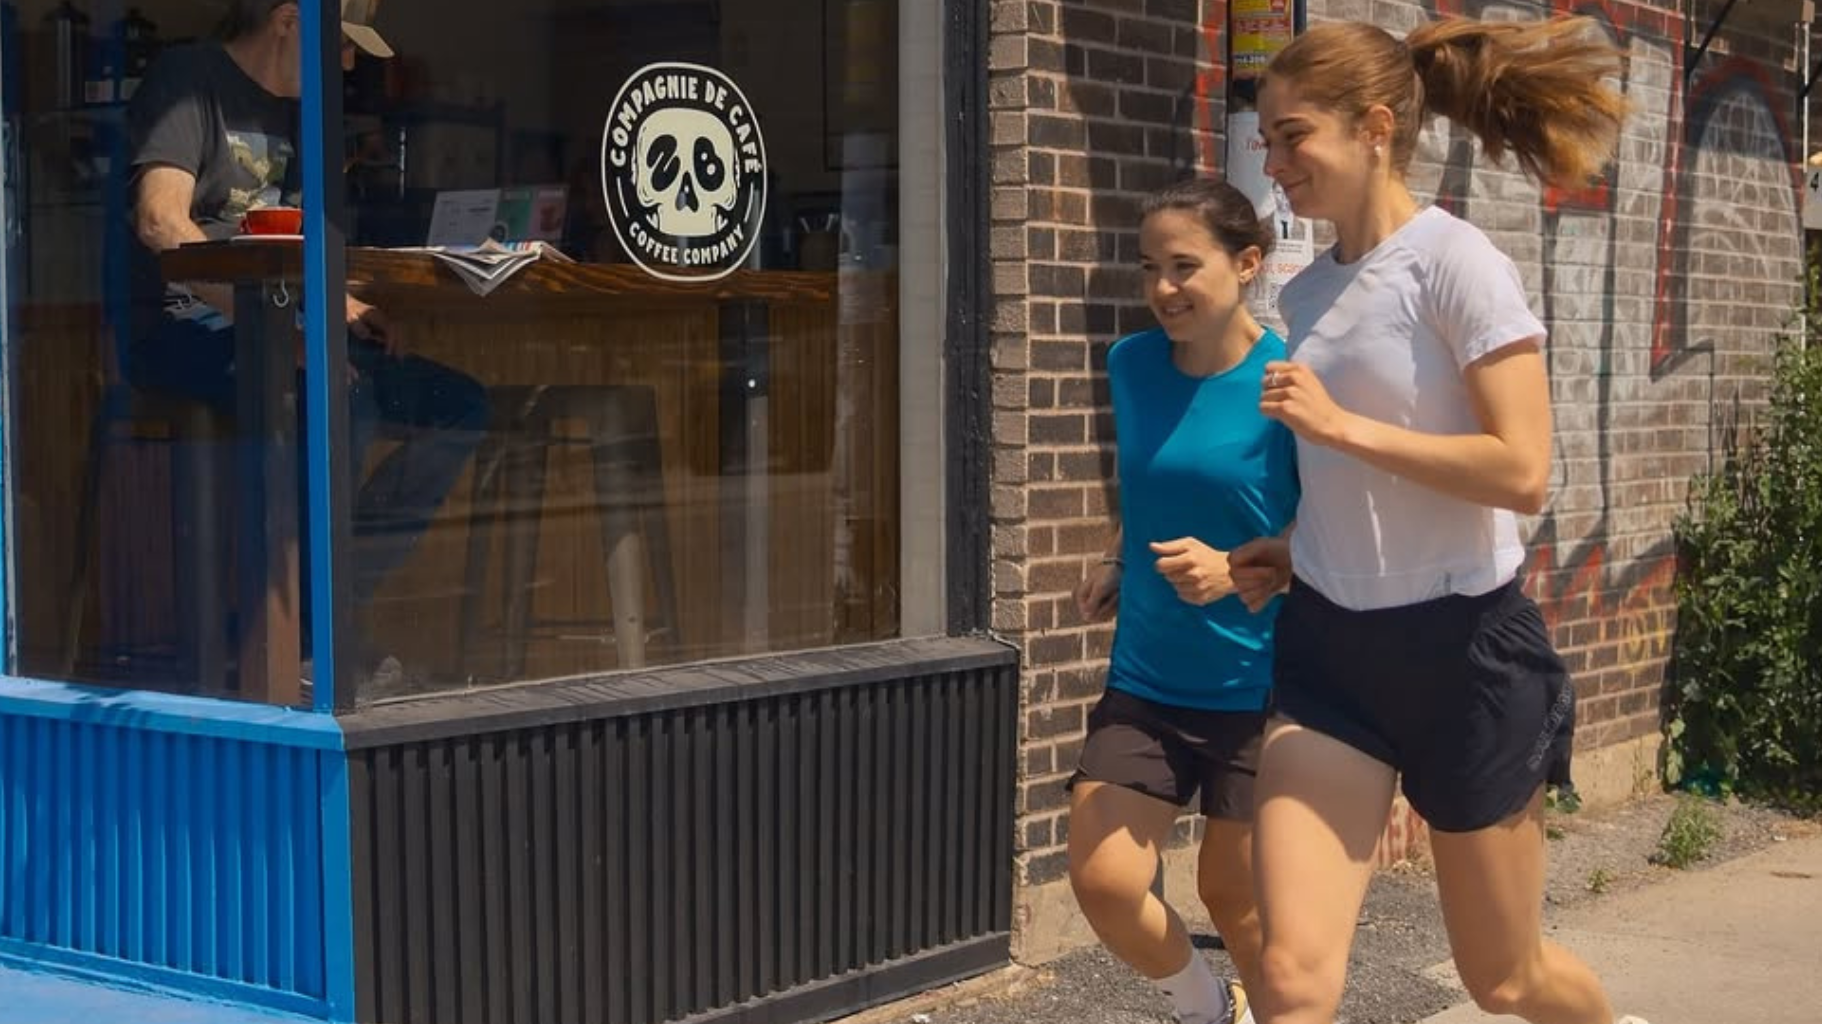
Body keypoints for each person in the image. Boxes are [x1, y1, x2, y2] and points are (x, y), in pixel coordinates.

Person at [1235, 17, 1650, 1024]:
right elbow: (1358, 477)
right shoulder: (1313, 285)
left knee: (1504, 979)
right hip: (1332, 653)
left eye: (1293, 135)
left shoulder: (1457, 263)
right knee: (1289, 975)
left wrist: (1343, 425)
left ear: (1374, 127)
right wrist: (1294, 548)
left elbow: (1520, 470)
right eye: (1267, 139)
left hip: (1465, 653)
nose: (1274, 160)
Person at [123, 0, 487, 686]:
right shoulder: (188, 78)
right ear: (290, 20)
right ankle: (297, 643)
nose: (348, 64)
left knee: (457, 405)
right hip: (183, 330)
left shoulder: (305, 112)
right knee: (340, 399)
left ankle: (330, 610)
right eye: (340, 45)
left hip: (281, 328)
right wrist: (276, 328)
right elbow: (159, 222)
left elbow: (291, 249)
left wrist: (344, 308)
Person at [1067, 179, 1301, 1024]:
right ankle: (1207, 1013)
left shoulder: (1288, 385)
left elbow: (1338, 540)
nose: (1164, 288)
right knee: (1104, 880)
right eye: (1149, 267)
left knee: (1234, 899)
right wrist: (1117, 555)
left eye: (1184, 266)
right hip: (1150, 676)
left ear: (1246, 264)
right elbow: (1154, 483)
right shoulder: (1130, 365)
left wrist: (1237, 568)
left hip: (1260, 690)